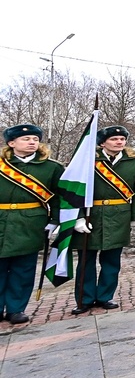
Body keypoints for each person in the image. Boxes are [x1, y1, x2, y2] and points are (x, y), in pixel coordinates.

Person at [70, 125, 135, 314]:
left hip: (119, 215)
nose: (119, 142)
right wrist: (78, 218)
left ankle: (105, 296)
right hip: (91, 214)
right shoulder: (86, 161)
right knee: (86, 261)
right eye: (114, 139)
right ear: (102, 143)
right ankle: (84, 299)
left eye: (122, 139)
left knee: (112, 261)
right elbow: (73, 189)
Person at [1, 124, 63, 325]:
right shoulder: (2, 165)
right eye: (26, 139)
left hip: (31, 222)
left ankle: (16, 309)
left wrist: (54, 220)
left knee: (24, 268)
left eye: (35, 139)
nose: (32, 142)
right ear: (12, 143)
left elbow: (59, 197)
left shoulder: (51, 167)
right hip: (1, 220)